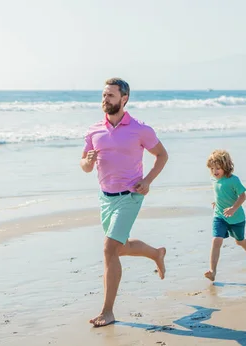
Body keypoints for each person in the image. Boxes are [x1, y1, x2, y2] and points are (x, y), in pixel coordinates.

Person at [80, 77, 169, 327]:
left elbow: (162, 155)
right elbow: (85, 166)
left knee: (109, 249)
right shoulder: (94, 130)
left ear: (124, 98)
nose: (105, 100)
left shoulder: (140, 129)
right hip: (105, 197)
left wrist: (148, 180)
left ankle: (108, 311)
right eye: (103, 95)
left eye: (110, 95)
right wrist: (88, 161)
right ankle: (156, 254)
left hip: (130, 196)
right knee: (118, 247)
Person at [204, 149, 246, 282]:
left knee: (240, 241)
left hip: (236, 218)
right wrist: (216, 202)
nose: (215, 171)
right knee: (216, 240)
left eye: (217, 168)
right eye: (212, 168)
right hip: (220, 216)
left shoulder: (234, 180)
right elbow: (220, 193)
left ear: (225, 166)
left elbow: (243, 196)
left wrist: (234, 208)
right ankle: (213, 271)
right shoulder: (214, 180)